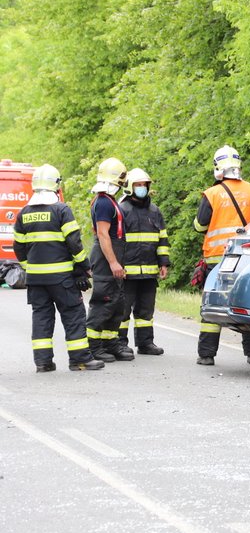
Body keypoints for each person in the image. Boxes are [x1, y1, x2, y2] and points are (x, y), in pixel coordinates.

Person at [12, 164, 104, 372]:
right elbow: (74, 243)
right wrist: (84, 266)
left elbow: (18, 246)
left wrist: (30, 268)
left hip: (36, 280)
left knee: (42, 318)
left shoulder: (24, 213)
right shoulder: (61, 209)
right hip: (61, 278)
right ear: (56, 186)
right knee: (73, 315)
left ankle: (43, 363)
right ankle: (79, 359)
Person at [194, 145, 250, 365]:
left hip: (217, 258)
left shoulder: (212, 194)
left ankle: (206, 355)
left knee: (212, 306)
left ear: (217, 168)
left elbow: (199, 225)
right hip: (249, 257)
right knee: (248, 303)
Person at [86, 157, 133, 363]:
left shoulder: (108, 200)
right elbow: (103, 235)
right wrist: (113, 263)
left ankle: (110, 343)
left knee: (117, 303)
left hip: (113, 255)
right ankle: (93, 347)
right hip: (106, 259)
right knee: (103, 302)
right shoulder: (104, 202)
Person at [117, 168, 169, 356]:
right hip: (127, 272)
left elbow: (162, 238)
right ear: (130, 187)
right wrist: (117, 266)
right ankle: (120, 343)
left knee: (146, 311)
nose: (142, 188)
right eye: (138, 185)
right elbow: (117, 241)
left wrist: (164, 263)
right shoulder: (121, 210)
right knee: (123, 312)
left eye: (144, 185)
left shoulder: (155, 211)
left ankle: (146, 343)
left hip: (149, 271)